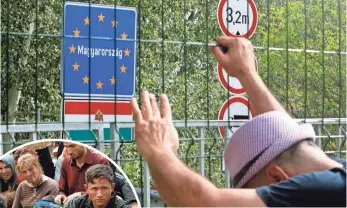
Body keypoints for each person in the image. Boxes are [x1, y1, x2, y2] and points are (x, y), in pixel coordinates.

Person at [129, 36, 346, 207]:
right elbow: (283, 134)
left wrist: (157, 149)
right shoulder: (338, 177)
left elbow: (200, 204)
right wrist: (246, 74)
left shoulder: (325, 192)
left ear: (277, 179)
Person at [66, 164, 132, 208]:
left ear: (112, 187)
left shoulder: (121, 206)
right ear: (86, 188)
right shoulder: (77, 204)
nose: (99, 194)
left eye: (104, 188)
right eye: (94, 189)